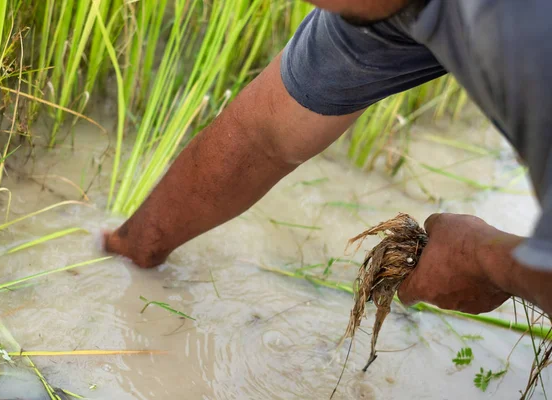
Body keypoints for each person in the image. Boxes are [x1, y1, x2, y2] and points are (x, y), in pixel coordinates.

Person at [104, 0, 552, 316]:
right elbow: (259, 137)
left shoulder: (528, 31)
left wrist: (490, 261)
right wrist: (133, 248)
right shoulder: (370, 9)